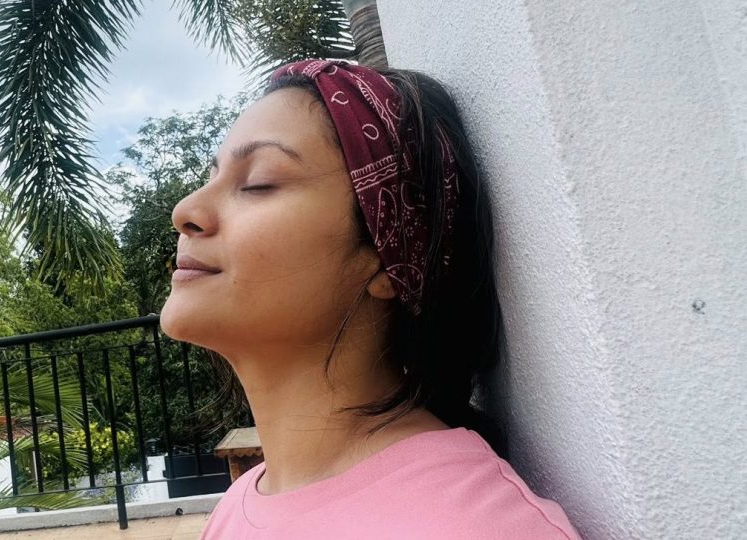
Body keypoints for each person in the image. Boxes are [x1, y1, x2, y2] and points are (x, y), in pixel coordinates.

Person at [159, 59, 581, 539]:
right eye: (210, 177)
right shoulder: (237, 507)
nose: (185, 210)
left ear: (387, 254)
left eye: (259, 183)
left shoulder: (479, 527)